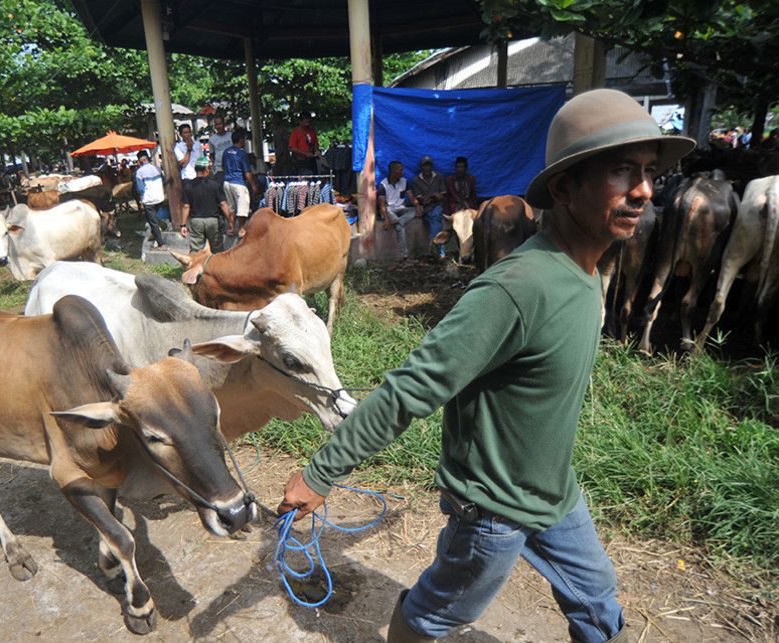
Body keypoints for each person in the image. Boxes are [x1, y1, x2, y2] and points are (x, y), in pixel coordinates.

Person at [278, 88, 695, 643]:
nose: (642, 189)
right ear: (567, 187)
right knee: (434, 616)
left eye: (648, 171)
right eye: (622, 170)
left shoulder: (587, 273)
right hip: (493, 509)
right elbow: (411, 389)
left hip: (554, 492)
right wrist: (320, 472)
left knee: (598, 605)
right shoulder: (517, 288)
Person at [180, 156, 233, 252]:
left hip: (196, 222)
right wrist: (230, 221)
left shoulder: (188, 186)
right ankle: (217, 267)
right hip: (213, 221)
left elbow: (186, 206)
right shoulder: (215, 185)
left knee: (196, 250)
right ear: (206, 170)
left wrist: (183, 225)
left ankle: (194, 266)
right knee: (217, 250)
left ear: (196, 169)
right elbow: (223, 204)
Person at [378, 160, 420, 261]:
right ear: (393, 171)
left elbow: (411, 197)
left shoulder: (405, 182)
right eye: (400, 170)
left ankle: (398, 222)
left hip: (401, 209)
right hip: (389, 210)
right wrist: (387, 219)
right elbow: (382, 205)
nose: (403, 172)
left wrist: (417, 205)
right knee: (397, 224)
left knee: (413, 211)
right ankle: (405, 255)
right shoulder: (383, 185)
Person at [221, 128, 258, 236]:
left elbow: (223, 167)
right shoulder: (242, 154)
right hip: (238, 183)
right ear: (241, 140)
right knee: (242, 207)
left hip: (227, 183)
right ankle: (241, 229)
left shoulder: (226, 151)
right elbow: (247, 172)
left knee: (231, 207)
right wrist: (253, 185)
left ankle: (231, 228)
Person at [410, 156, 447, 259]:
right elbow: (420, 199)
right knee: (435, 220)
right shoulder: (416, 180)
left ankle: (431, 246)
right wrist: (433, 197)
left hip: (437, 205)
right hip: (425, 208)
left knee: (435, 216)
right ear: (421, 167)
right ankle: (440, 252)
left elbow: (443, 194)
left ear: (432, 166)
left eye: (429, 165)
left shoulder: (438, 177)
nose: (427, 168)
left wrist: (437, 197)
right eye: (425, 165)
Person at [134, 149, 166, 259]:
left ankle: (161, 243)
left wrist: (142, 201)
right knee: (154, 219)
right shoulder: (157, 168)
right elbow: (163, 180)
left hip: (149, 199)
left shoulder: (139, 172)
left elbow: (141, 189)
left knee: (153, 222)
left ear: (140, 160)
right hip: (159, 197)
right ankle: (155, 233)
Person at [209, 115, 233, 180]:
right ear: (215, 126)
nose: (219, 126)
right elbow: (212, 154)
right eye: (216, 124)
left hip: (232, 166)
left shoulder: (231, 135)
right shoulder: (212, 139)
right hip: (219, 169)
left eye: (220, 124)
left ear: (224, 124)